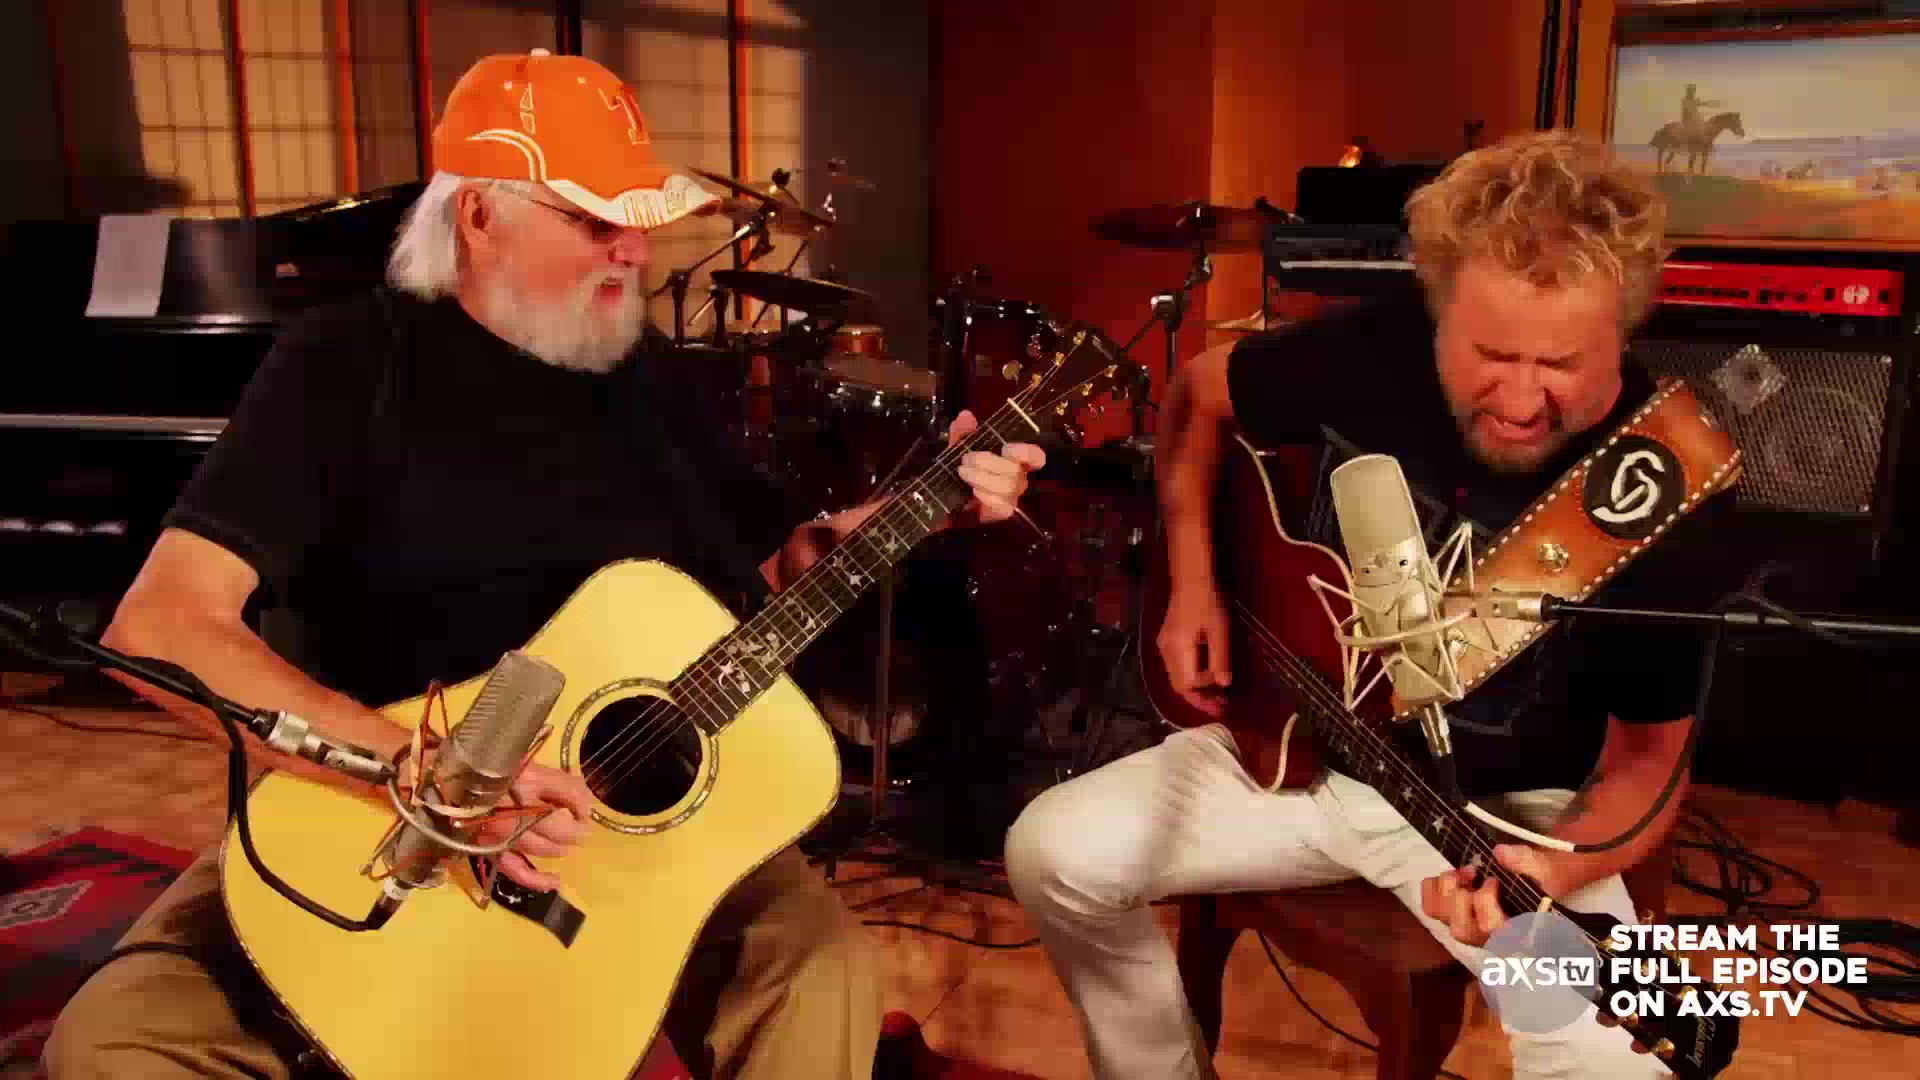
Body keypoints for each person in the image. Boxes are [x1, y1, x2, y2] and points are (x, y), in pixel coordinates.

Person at [45, 50, 1045, 1080]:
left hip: (632, 826)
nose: (633, 251)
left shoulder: (650, 377)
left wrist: (899, 521)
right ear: (480, 215)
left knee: (819, 971)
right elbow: (158, 628)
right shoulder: (342, 365)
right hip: (377, 814)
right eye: (594, 222)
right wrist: (423, 771)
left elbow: (768, 573)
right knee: (114, 1044)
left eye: (638, 223)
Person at [1004, 129, 1737, 1079]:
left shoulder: (1663, 486)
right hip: (1297, 754)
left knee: (1618, 1063)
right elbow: (1196, 394)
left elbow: (1647, 763)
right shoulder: (1373, 350)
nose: (1520, 400)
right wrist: (1192, 584)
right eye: (1490, 354)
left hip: (1501, 818)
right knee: (1052, 853)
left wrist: (1554, 867)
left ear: (1624, 332)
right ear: (1439, 312)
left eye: (1562, 364)